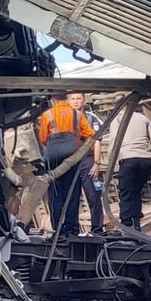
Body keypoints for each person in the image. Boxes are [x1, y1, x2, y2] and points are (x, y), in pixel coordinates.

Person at [38, 92, 94, 239]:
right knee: (73, 192)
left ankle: (58, 230)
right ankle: (72, 229)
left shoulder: (47, 115)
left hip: (53, 156)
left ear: (53, 99)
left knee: (55, 192)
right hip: (72, 156)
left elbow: (43, 138)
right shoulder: (77, 114)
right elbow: (90, 134)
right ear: (66, 98)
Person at [108, 108, 151, 230]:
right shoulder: (143, 118)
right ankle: (137, 223)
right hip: (145, 159)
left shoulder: (117, 119)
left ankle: (127, 225)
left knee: (126, 193)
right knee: (136, 192)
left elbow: (114, 140)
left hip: (128, 158)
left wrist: (111, 162)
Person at [67, 92, 105, 234]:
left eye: (79, 99)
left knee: (93, 195)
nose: (76, 102)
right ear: (68, 101)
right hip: (70, 162)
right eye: (73, 99)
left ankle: (97, 228)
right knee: (72, 197)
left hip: (87, 161)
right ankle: (73, 229)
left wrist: (96, 163)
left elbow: (97, 141)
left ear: (84, 100)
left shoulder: (91, 118)